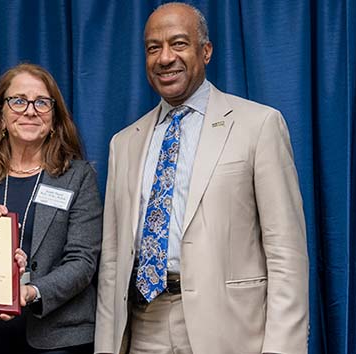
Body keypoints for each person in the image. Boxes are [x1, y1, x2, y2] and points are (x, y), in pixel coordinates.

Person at [95, 3, 309, 354]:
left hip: (231, 330)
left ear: (205, 51)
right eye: (153, 47)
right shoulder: (124, 142)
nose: (165, 58)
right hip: (143, 325)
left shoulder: (259, 125)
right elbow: (113, 261)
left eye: (178, 44)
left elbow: (286, 253)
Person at [0, 63, 103, 354]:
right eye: (18, 101)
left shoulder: (78, 177)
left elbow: (83, 261)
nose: (30, 111)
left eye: (42, 103)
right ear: (2, 115)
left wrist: (31, 292)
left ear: (55, 119)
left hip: (57, 339)